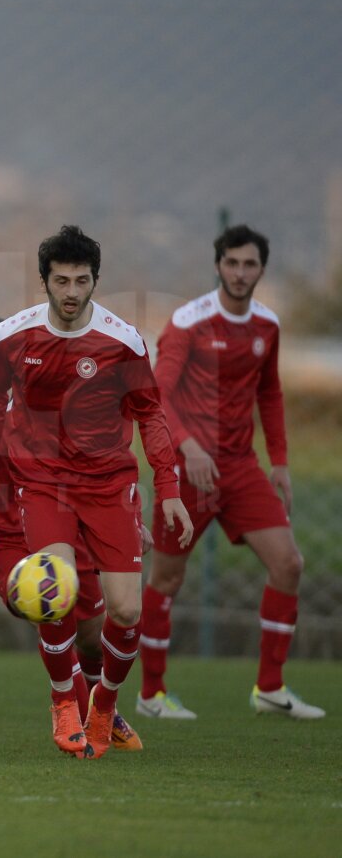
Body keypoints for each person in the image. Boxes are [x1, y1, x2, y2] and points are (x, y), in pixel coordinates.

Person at [0, 226, 194, 758]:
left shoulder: (122, 341)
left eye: (81, 280)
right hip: (43, 482)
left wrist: (170, 487)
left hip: (110, 484)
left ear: (95, 281)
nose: (71, 291)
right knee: (56, 589)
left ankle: (105, 706)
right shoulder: (13, 337)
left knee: (126, 611)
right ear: (44, 280)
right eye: (61, 280)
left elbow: (151, 415)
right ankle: (64, 699)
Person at [0, 316, 143, 754]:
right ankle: (71, 713)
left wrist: (127, 520)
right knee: (54, 605)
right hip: (7, 542)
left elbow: (96, 467)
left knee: (93, 632)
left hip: (65, 524)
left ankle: (98, 709)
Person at [137, 225, 324, 720]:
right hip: (186, 470)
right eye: (232, 263)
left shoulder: (267, 326)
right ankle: (151, 694)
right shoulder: (187, 323)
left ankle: (269, 688)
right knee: (168, 578)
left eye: (250, 265)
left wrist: (279, 461)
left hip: (241, 469)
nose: (240, 273)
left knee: (289, 564)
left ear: (262, 269)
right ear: (217, 265)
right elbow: (158, 394)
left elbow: (270, 394)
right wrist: (190, 447)